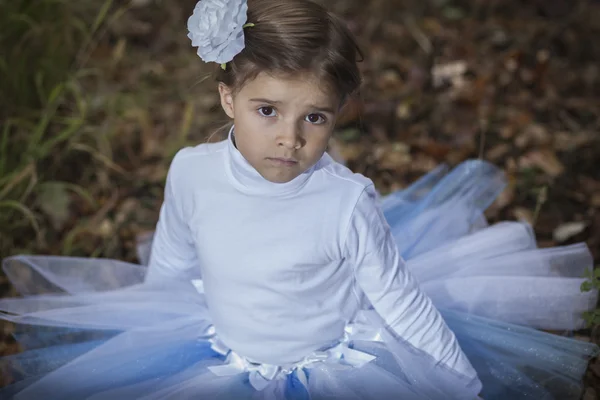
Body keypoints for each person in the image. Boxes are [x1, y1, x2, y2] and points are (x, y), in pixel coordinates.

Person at [0, 0, 597, 399]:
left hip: (334, 362)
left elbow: (400, 299)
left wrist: (463, 386)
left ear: (337, 115)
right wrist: (141, 326)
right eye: (268, 111)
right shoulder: (192, 172)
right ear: (228, 97)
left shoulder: (345, 202)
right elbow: (174, 258)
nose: (290, 137)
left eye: (315, 117)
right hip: (219, 348)